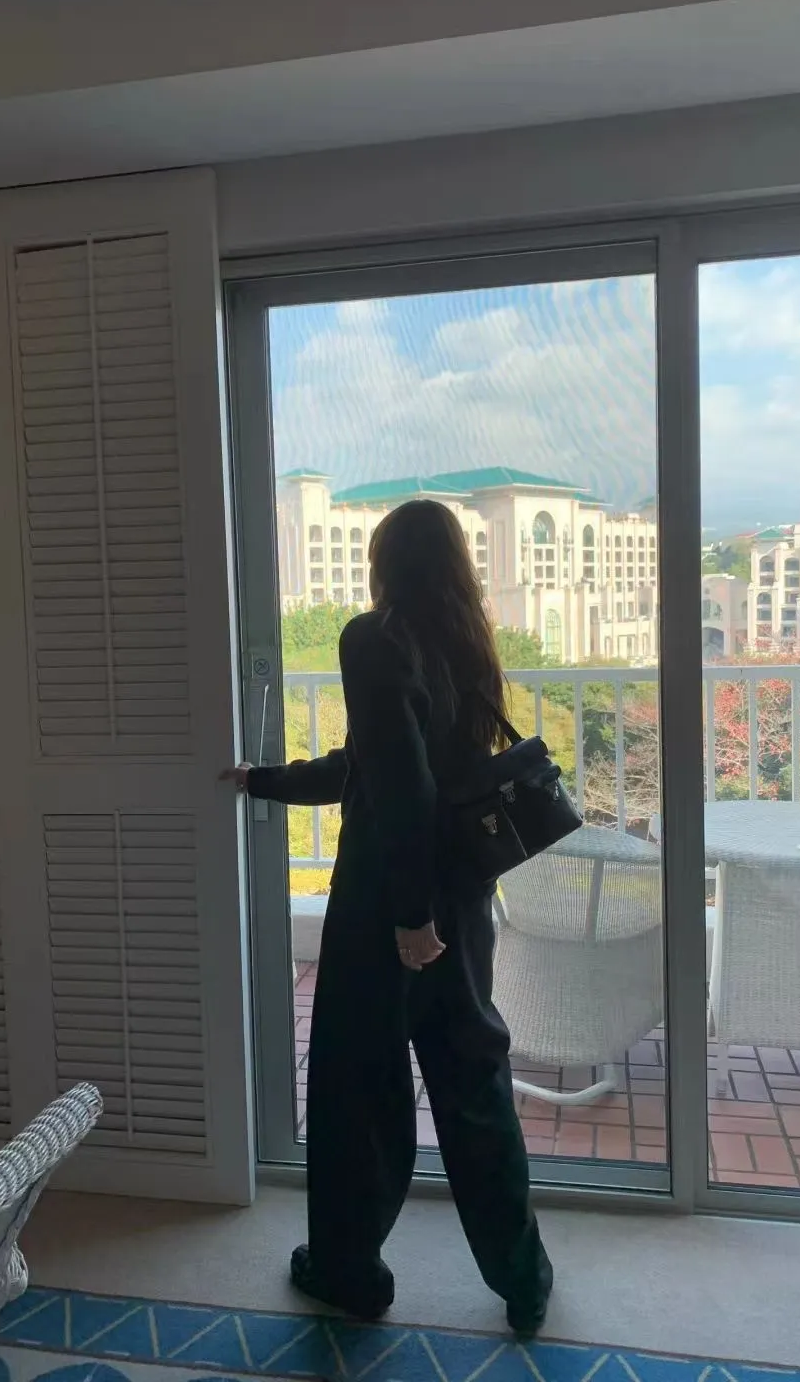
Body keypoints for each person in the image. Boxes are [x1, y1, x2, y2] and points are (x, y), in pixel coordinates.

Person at [221, 499, 552, 1334]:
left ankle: (348, 1273)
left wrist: (408, 918)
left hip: (387, 909)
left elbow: (400, 786)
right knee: (474, 1086)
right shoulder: (464, 643)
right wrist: (266, 780)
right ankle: (525, 1279)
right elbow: (372, 764)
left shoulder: (373, 638)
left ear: (383, 562)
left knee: (357, 1091)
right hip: (463, 902)